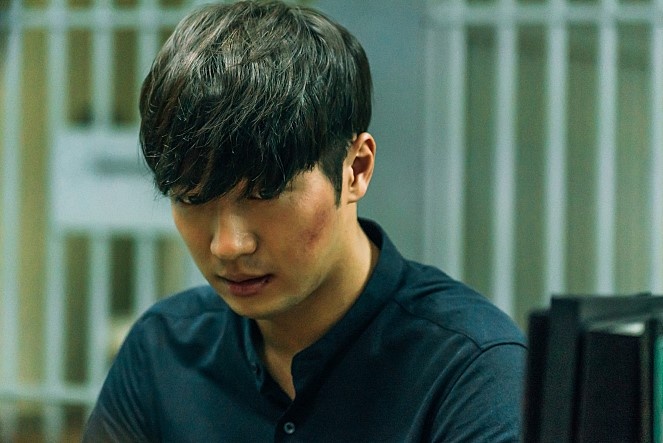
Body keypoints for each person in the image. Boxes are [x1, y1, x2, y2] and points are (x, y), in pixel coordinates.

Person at [83, 1, 527, 441]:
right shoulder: (162, 352)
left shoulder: (473, 374)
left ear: (356, 169)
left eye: (265, 194)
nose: (228, 245)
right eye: (190, 199)